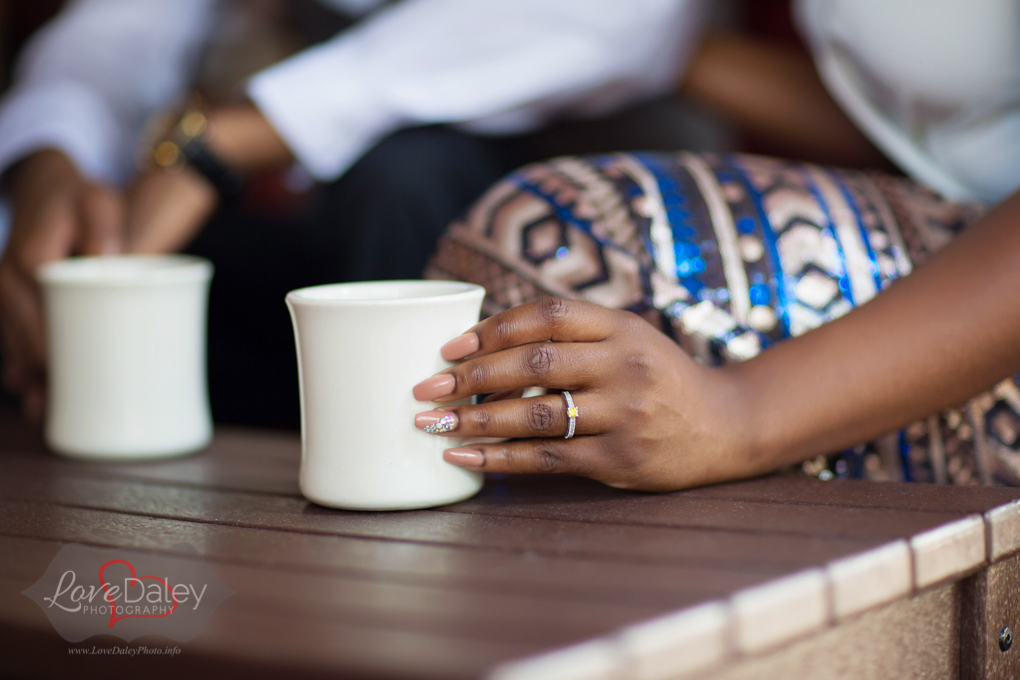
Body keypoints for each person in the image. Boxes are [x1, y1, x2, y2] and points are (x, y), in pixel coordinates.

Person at [0, 0, 707, 426]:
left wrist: (231, 142)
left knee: (404, 176)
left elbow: (628, 16)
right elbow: (116, 33)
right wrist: (47, 154)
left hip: (574, 239)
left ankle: (409, 466)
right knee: (108, 248)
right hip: (324, 227)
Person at [413, 0, 1020, 488]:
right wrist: (661, 51)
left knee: (563, 248)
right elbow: (934, 122)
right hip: (950, 207)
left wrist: (736, 411)